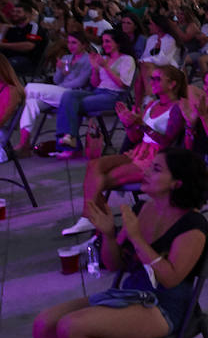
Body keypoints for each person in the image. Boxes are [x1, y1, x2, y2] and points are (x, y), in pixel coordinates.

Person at [33, 148, 208, 338]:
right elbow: (115, 264)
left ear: (176, 182)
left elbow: (170, 278)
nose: (146, 172)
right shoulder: (146, 209)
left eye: (156, 169)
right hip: (129, 294)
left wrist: (138, 238)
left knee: (71, 328)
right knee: (44, 324)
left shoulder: (194, 227)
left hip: (165, 307)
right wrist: (107, 234)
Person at [60, 67, 188, 237]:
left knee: (101, 181)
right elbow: (135, 138)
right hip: (139, 150)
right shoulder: (153, 104)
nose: (152, 82)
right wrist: (129, 124)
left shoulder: (177, 108)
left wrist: (141, 124)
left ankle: (97, 228)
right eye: (152, 78)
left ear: (172, 84)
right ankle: (91, 220)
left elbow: (167, 142)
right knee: (94, 165)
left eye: (158, 79)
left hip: (157, 158)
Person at [55, 31, 136, 154]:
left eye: (108, 41)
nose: (104, 44)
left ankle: (69, 142)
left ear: (118, 43)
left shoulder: (127, 59)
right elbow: (95, 83)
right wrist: (95, 69)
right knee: (68, 95)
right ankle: (69, 138)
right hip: (98, 91)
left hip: (113, 95)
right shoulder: (103, 58)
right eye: (103, 41)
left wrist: (106, 67)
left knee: (72, 104)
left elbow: (123, 84)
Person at [15, 31, 92, 154]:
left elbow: (80, 82)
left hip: (74, 94)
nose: (71, 46)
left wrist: (61, 85)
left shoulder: (88, 60)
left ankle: (11, 110)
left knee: (29, 88)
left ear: (84, 45)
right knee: (31, 102)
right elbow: (56, 80)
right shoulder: (66, 58)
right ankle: (24, 144)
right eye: (69, 42)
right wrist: (60, 70)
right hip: (59, 92)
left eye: (74, 43)